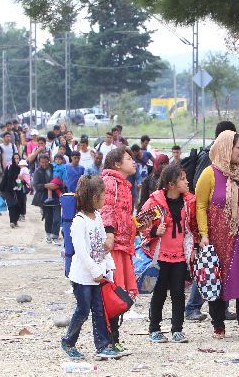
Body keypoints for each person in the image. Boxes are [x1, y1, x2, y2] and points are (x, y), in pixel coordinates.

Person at [196, 130, 239, 339]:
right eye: (238, 147)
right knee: (217, 279)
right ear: (226, 148)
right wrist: (204, 234)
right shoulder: (209, 173)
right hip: (217, 236)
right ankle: (218, 325)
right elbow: (200, 205)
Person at [60, 175, 120, 360]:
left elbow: (102, 245)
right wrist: (95, 271)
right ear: (94, 197)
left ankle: (102, 346)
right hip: (82, 277)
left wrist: (108, 266)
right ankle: (68, 341)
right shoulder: (79, 221)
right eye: (103, 195)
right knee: (83, 310)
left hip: (98, 275)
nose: (105, 199)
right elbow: (82, 252)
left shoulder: (98, 217)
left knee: (99, 310)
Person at [185, 120, 238, 323]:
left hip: (225, 221)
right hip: (209, 221)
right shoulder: (209, 158)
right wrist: (203, 229)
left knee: (223, 265)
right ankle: (193, 307)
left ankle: (222, 307)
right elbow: (200, 195)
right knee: (208, 265)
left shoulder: (227, 159)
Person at [141, 164, 197, 344]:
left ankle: (177, 329)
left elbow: (193, 227)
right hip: (160, 257)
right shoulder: (155, 202)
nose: (187, 181)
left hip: (180, 256)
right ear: (172, 184)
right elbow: (140, 224)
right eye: (182, 178)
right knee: (159, 293)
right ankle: (154, 329)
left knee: (179, 293)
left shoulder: (189, 202)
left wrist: (194, 247)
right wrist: (154, 231)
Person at [100, 147, 142, 353]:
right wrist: (109, 235)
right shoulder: (111, 182)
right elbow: (106, 210)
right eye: (128, 158)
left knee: (120, 294)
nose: (133, 162)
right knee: (113, 294)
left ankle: (113, 339)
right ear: (117, 164)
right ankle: (108, 340)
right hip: (114, 245)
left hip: (124, 245)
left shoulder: (124, 184)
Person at [32, 154, 61, 244]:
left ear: (49, 161)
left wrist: (57, 185)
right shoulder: (38, 171)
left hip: (56, 196)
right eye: (42, 162)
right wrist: (46, 185)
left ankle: (55, 236)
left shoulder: (55, 168)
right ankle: (48, 234)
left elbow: (62, 177)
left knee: (57, 218)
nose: (44, 164)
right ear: (39, 162)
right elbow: (36, 185)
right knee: (48, 218)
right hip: (45, 198)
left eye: (45, 162)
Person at [0, 153, 25, 229]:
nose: (16, 160)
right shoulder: (9, 167)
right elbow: (5, 179)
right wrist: (0, 189)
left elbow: (26, 179)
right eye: (15, 158)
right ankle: (12, 222)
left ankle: (15, 220)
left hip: (19, 190)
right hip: (9, 189)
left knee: (18, 205)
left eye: (18, 158)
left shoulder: (22, 168)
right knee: (11, 205)